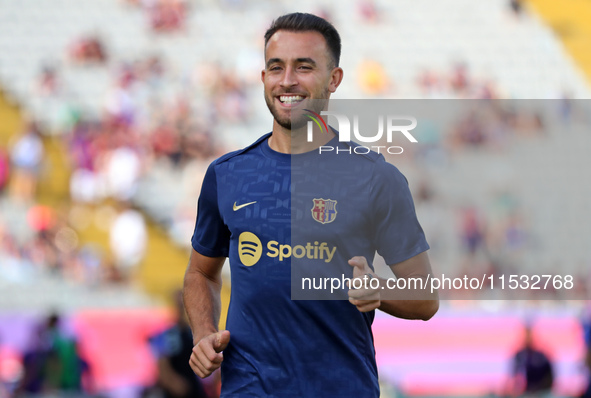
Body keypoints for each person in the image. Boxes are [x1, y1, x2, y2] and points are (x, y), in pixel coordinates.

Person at [183, 12, 438, 397]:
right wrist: (203, 333)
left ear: (333, 79)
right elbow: (201, 274)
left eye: (303, 67)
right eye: (276, 67)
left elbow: (425, 298)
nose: (287, 81)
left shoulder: (374, 178)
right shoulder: (227, 174)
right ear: (263, 77)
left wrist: (378, 293)